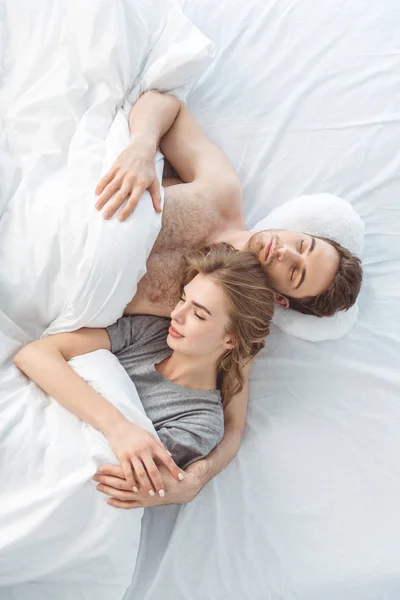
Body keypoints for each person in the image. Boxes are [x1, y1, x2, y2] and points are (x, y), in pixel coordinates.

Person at [89, 90, 363, 509]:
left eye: (295, 273)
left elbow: (232, 429)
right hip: (77, 209)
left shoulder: (224, 321)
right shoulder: (222, 192)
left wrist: (195, 480)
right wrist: (142, 147)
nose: (286, 252)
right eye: (303, 244)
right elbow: (165, 103)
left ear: (283, 299)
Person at [14, 244, 274, 500]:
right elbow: (34, 355)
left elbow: (108, 476)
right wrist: (117, 427)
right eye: (183, 299)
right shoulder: (152, 333)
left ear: (230, 340)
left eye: (198, 314)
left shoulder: (200, 423)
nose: (176, 314)